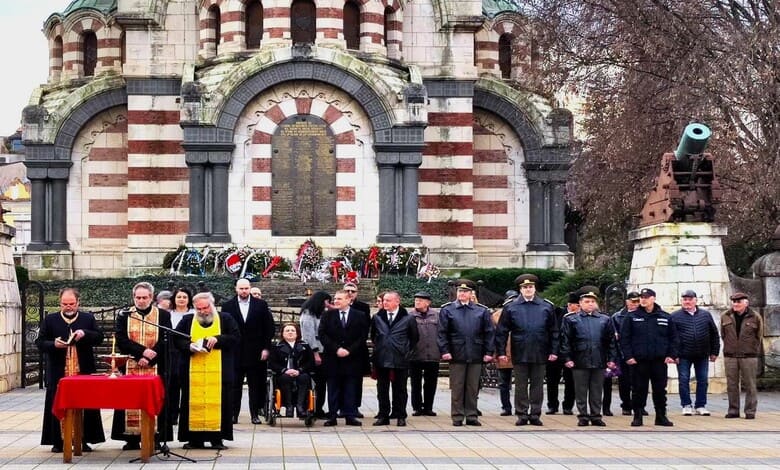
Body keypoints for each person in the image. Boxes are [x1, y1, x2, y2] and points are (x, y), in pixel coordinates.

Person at [36, 287, 105, 453]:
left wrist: (85, 334)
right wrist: (54, 344)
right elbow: (40, 342)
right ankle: (58, 441)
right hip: (59, 371)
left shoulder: (87, 318)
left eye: (72, 303)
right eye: (64, 304)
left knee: (85, 403)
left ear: (78, 303)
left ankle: (84, 439)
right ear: (60, 303)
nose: (68, 307)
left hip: (83, 370)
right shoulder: (50, 320)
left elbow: (99, 337)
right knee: (57, 403)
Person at [173, 292, 239, 450]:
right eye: (199, 308)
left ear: (213, 304)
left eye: (206, 307)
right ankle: (194, 439)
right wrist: (189, 346)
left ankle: (217, 439)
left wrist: (218, 339)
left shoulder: (225, 319)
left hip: (219, 371)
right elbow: (177, 339)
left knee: (219, 404)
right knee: (192, 404)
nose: (203, 311)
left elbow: (236, 337)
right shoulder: (188, 320)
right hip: (192, 371)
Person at [112, 282, 174, 450]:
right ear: (133, 298)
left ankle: (156, 437)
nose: (140, 301)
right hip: (131, 362)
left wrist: (151, 356)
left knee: (155, 398)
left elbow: (166, 339)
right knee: (130, 399)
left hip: (156, 364)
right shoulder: (125, 315)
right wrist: (141, 353)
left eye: (144, 297)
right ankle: (131, 438)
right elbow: (121, 339)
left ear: (151, 298)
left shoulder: (162, 315)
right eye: (137, 297)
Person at [496, 274, 558, 426]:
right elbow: (502, 331)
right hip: (520, 350)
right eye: (525, 287)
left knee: (537, 385)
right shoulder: (511, 307)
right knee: (521, 385)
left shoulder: (546, 306)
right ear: (520, 290)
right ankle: (522, 414)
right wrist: (502, 352)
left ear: (535, 288)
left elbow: (554, 331)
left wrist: (554, 351)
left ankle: (535, 413)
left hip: (540, 351)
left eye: (530, 287)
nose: (528, 289)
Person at [438, 280, 495, 427]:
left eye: (465, 291)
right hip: (456, 353)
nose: (462, 294)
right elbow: (442, 332)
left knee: (472, 387)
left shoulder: (481, 310)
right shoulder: (448, 310)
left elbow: (489, 333)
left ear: (471, 294)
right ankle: (457, 416)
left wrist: (489, 351)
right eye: (460, 291)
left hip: (476, 353)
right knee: (457, 387)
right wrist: (445, 350)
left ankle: (471, 415)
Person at [221, 278, 275, 425]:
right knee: (235, 385)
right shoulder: (228, 306)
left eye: (246, 288)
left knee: (255, 385)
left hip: (256, 352)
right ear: (236, 289)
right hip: (235, 352)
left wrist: (266, 348)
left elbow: (268, 328)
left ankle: (255, 414)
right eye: (241, 288)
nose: (244, 291)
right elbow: (223, 328)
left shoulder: (261, 305)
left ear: (250, 288)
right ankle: (233, 414)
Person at [620, 287, 677, 427]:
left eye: (646, 297)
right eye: (641, 297)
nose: (643, 300)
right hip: (639, 361)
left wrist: (671, 355)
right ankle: (638, 416)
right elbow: (624, 339)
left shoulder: (665, 316)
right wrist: (628, 356)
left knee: (659, 390)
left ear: (653, 298)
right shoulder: (631, 316)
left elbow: (673, 338)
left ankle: (661, 416)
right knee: (639, 390)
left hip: (659, 361)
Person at [560, 288, 617, 427]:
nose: (590, 304)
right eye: (587, 301)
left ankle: (596, 415)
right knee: (580, 390)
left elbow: (611, 341)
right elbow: (565, 340)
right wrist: (567, 358)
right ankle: (583, 416)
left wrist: (611, 359)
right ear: (580, 303)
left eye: (592, 301)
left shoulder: (604, 319)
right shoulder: (571, 319)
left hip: (599, 359)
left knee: (597, 390)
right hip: (579, 359)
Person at [318, 289, 370, 426]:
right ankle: (333, 415)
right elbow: (322, 335)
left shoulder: (360, 315)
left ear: (348, 300)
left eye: (339, 299)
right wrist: (337, 349)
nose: (336, 301)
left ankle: (350, 415)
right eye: (335, 299)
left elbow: (362, 336)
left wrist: (349, 350)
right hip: (332, 358)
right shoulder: (327, 315)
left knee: (350, 388)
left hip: (352, 358)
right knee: (333, 388)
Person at [371, 291, 419, 427]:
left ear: (397, 302)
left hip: (400, 358)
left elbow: (414, 338)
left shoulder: (408, 318)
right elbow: (374, 336)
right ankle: (383, 415)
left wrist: (407, 352)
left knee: (400, 389)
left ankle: (400, 415)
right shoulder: (377, 317)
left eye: (388, 300)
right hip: (382, 358)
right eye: (384, 300)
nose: (385, 303)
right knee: (382, 389)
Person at [670, 290, 720, 416]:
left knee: (703, 379)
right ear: (681, 301)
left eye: (690, 299)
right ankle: (686, 405)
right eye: (685, 299)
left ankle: (700, 405)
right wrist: (673, 355)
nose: (687, 302)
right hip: (683, 355)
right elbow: (671, 337)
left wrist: (714, 352)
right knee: (683, 379)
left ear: (695, 301)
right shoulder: (675, 316)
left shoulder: (705, 315)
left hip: (702, 354)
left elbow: (714, 334)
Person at [722, 292, 763, 419]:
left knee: (750, 384)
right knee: (732, 384)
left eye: (739, 302)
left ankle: (750, 411)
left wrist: (752, 349)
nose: (736, 304)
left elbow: (759, 336)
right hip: (730, 355)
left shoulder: (755, 317)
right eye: (734, 301)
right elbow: (723, 335)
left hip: (748, 356)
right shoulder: (726, 316)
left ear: (746, 303)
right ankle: (733, 410)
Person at [605, 291, 642, 416]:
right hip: (623, 354)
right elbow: (614, 338)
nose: (635, 304)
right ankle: (626, 404)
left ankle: (639, 406)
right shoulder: (617, 316)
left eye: (637, 301)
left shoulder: (644, 315)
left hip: (640, 354)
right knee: (624, 382)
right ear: (627, 302)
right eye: (633, 301)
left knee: (640, 382)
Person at [269, 323, 315, 418]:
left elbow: (310, 362)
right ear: (282, 333)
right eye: (287, 330)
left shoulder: (305, 346)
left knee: (304, 378)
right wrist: (284, 370)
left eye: (293, 330)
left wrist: (300, 370)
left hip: (300, 372)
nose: (290, 332)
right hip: (284, 374)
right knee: (285, 378)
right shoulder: (276, 347)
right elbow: (272, 363)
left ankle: (300, 406)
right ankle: (289, 406)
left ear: (297, 333)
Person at [299, 291, 333, 419]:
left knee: (321, 382)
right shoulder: (308, 314)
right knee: (316, 381)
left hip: (323, 350)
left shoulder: (320, 314)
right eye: (326, 302)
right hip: (313, 351)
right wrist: (315, 352)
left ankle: (318, 407)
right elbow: (309, 335)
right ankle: (313, 408)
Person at [409, 291, 441, 417]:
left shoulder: (436, 316)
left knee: (431, 383)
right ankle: (417, 407)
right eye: (416, 300)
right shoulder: (410, 316)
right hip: (415, 354)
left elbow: (442, 333)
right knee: (415, 383)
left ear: (428, 303)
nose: (417, 302)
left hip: (432, 354)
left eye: (421, 300)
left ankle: (428, 407)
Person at [342, 282, 371, 417]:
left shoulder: (363, 307)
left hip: (357, 350)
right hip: (340, 350)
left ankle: (355, 407)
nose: (350, 293)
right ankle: (341, 407)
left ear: (357, 293)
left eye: (353, 291)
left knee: (356, 380)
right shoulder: (338, 304)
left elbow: (365, 329)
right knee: (340, 379)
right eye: (347, 290)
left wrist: (353, 347)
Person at [547, 292, 578, 416]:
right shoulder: (558, 313)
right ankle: (552, 405)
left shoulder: (579, 316)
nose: (579, 308)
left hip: (571, 353)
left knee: (570, 381)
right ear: (570, 305)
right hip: (555, 352)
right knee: (552, 381)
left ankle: (568, 406)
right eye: (577, 305)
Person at [168, 287, 194, 426]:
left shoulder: (194, 314)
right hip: (172, 352)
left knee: (187, 385)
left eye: (184, 297)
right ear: (174, 299)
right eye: (179, 297)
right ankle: (172, 415)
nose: (181, 299)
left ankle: (186, 415)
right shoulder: (168, 314)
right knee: (172, 385)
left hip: (188, 352)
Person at [492, 291, 518, 416]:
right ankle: (506, 407)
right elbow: (494, 336)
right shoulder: (497, 315)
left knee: (521, 383)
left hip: (519, 353)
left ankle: (520, 406)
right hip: (504, 352)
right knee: (504, 383)